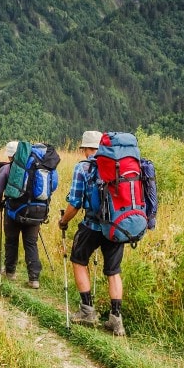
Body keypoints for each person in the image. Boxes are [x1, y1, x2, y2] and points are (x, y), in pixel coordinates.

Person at [58, 130, 126, 336]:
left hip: (93, 225)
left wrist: (63, 221)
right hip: (116, 226)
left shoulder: (83, 167)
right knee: (113, 271)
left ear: (86, 149)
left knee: (79, 260)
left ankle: (87, 311)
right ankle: (116, 320)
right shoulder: (119, 164)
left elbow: (75, 203)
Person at [0, 141, 42, 288]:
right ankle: (34, 279)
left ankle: (10, 272)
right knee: (31, 243)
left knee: (11, 241)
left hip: (14, 211)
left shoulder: (7, 169)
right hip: (35, 212)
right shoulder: (38, 168)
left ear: (10, 155)